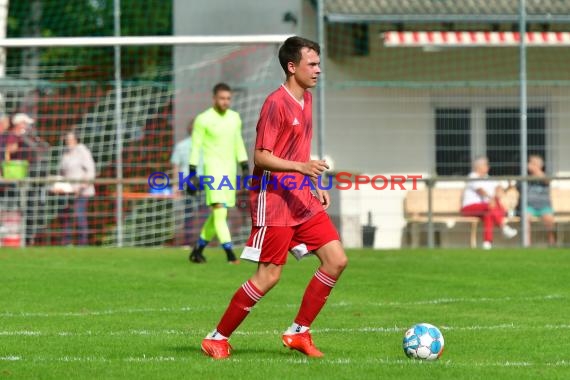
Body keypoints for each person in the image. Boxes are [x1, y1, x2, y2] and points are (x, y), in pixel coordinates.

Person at [200, 36, 348, 360]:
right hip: (274, 199)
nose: (319, 70)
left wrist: (311, 178)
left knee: (336, 260)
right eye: (312, 64)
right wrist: (300, 167)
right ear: (292, 67)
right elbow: (262, 157)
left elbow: (299, 150)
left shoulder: (306, 100)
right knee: (269, 276)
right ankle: (217, 337)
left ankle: (299, 332)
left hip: (300, 195)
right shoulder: (275, 103)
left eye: (319, 64)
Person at [187, 83, 249, 264]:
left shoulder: (234, 118)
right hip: (212, 171)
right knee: (220, 212)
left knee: (218, 214)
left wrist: (244, 166)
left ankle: (197, 250)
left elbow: (238, 142)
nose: (225, 102)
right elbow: (195, 147)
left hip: (230, 171)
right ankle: (230, 255)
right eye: (222, 98)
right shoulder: (203, 119)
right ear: (214, 98)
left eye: (228, 98)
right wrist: (192, 172)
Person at [461, 156, 518, 249]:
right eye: (486, 165)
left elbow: (498, 187)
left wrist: (499, 190)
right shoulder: (472, 176)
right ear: (478, 167)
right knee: (490, 206)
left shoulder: (488, 178)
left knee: (488, 215)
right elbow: (481, 191)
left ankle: (487, 243)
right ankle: (503, 227)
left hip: (486, 208)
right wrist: (490, 198)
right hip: (469, 208)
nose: (488, 167)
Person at [55, 130, 96, 246]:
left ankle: (82, 243)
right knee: (65, 216)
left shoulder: (83, 151)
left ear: (76, 139)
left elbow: (91, 171)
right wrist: (58, 185)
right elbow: (62, 172)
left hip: (82, 191)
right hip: (68, 191)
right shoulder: (66, 152)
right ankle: (66, 243)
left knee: (79, 215)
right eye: (67, 139)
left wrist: (81, 187)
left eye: (70, 139)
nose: (68, 141)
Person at [170, 119, 202, 246]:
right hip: (189, 183)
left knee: (200, 213)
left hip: (204, 182)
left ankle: (200, 241)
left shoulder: (206, 145)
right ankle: (190, 241)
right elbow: (176, 166)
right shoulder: (182, 146)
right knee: (191, 213)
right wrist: (175, 185)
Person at [523, 154, 555, 246]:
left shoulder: (545, 175)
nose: (528, 165)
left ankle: (552, 243)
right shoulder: (525, 176)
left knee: (549, 220)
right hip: (529, 207)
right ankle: (527, 245)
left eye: (532, 163)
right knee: (525, 218)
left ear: (539, 165)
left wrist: (536, 171)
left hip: (544, 207)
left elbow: (547, 180)